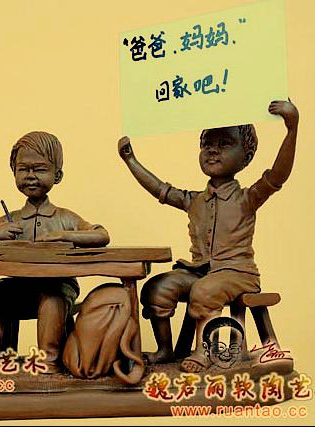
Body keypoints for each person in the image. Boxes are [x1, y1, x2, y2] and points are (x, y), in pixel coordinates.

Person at [118, 100, 298, 372]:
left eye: (225, 144)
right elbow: (160, 190)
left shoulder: (247, 198)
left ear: (246, 156)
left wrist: (292, 129)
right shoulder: (194, 200)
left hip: (237, 274)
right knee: (157, 288)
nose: (213, 150)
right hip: (200, 272)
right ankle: (165, 349)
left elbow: (279, 175)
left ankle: (204, 351)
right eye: (206, 144)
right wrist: (131, 160)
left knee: (204, 291)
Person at [0, 131, 109, 373]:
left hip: (58, 286)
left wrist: (65, 235)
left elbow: (101, 235)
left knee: (51, 302)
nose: (30, 176)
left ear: (57, 175)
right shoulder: (12, 219)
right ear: (14, 172)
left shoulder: (64, 218)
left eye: (39, 169)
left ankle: (48, 363)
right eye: (23, 169)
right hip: (18, 286)